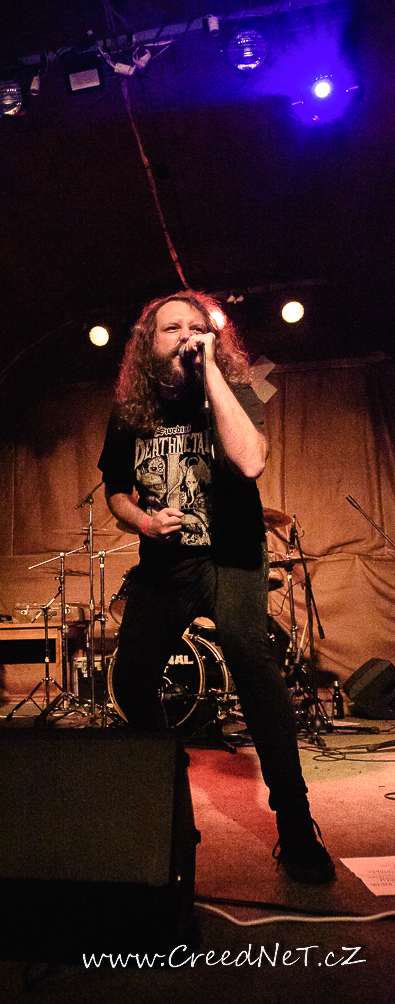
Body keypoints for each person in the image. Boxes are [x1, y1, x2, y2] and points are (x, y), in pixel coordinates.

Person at [98, 291, 335, 885]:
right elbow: (116, 491)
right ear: (148, 344)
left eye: (196, 327)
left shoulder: (238, 391)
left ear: (212, 338)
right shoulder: (130, 411)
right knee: (130, 678)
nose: (186, 335)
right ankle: (168, 789)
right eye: (171, 328)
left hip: (232, 555)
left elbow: (250, 462)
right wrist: (143, 521)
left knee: (253, 664)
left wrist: (211, 377)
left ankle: (296, 822)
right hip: (166, 563)